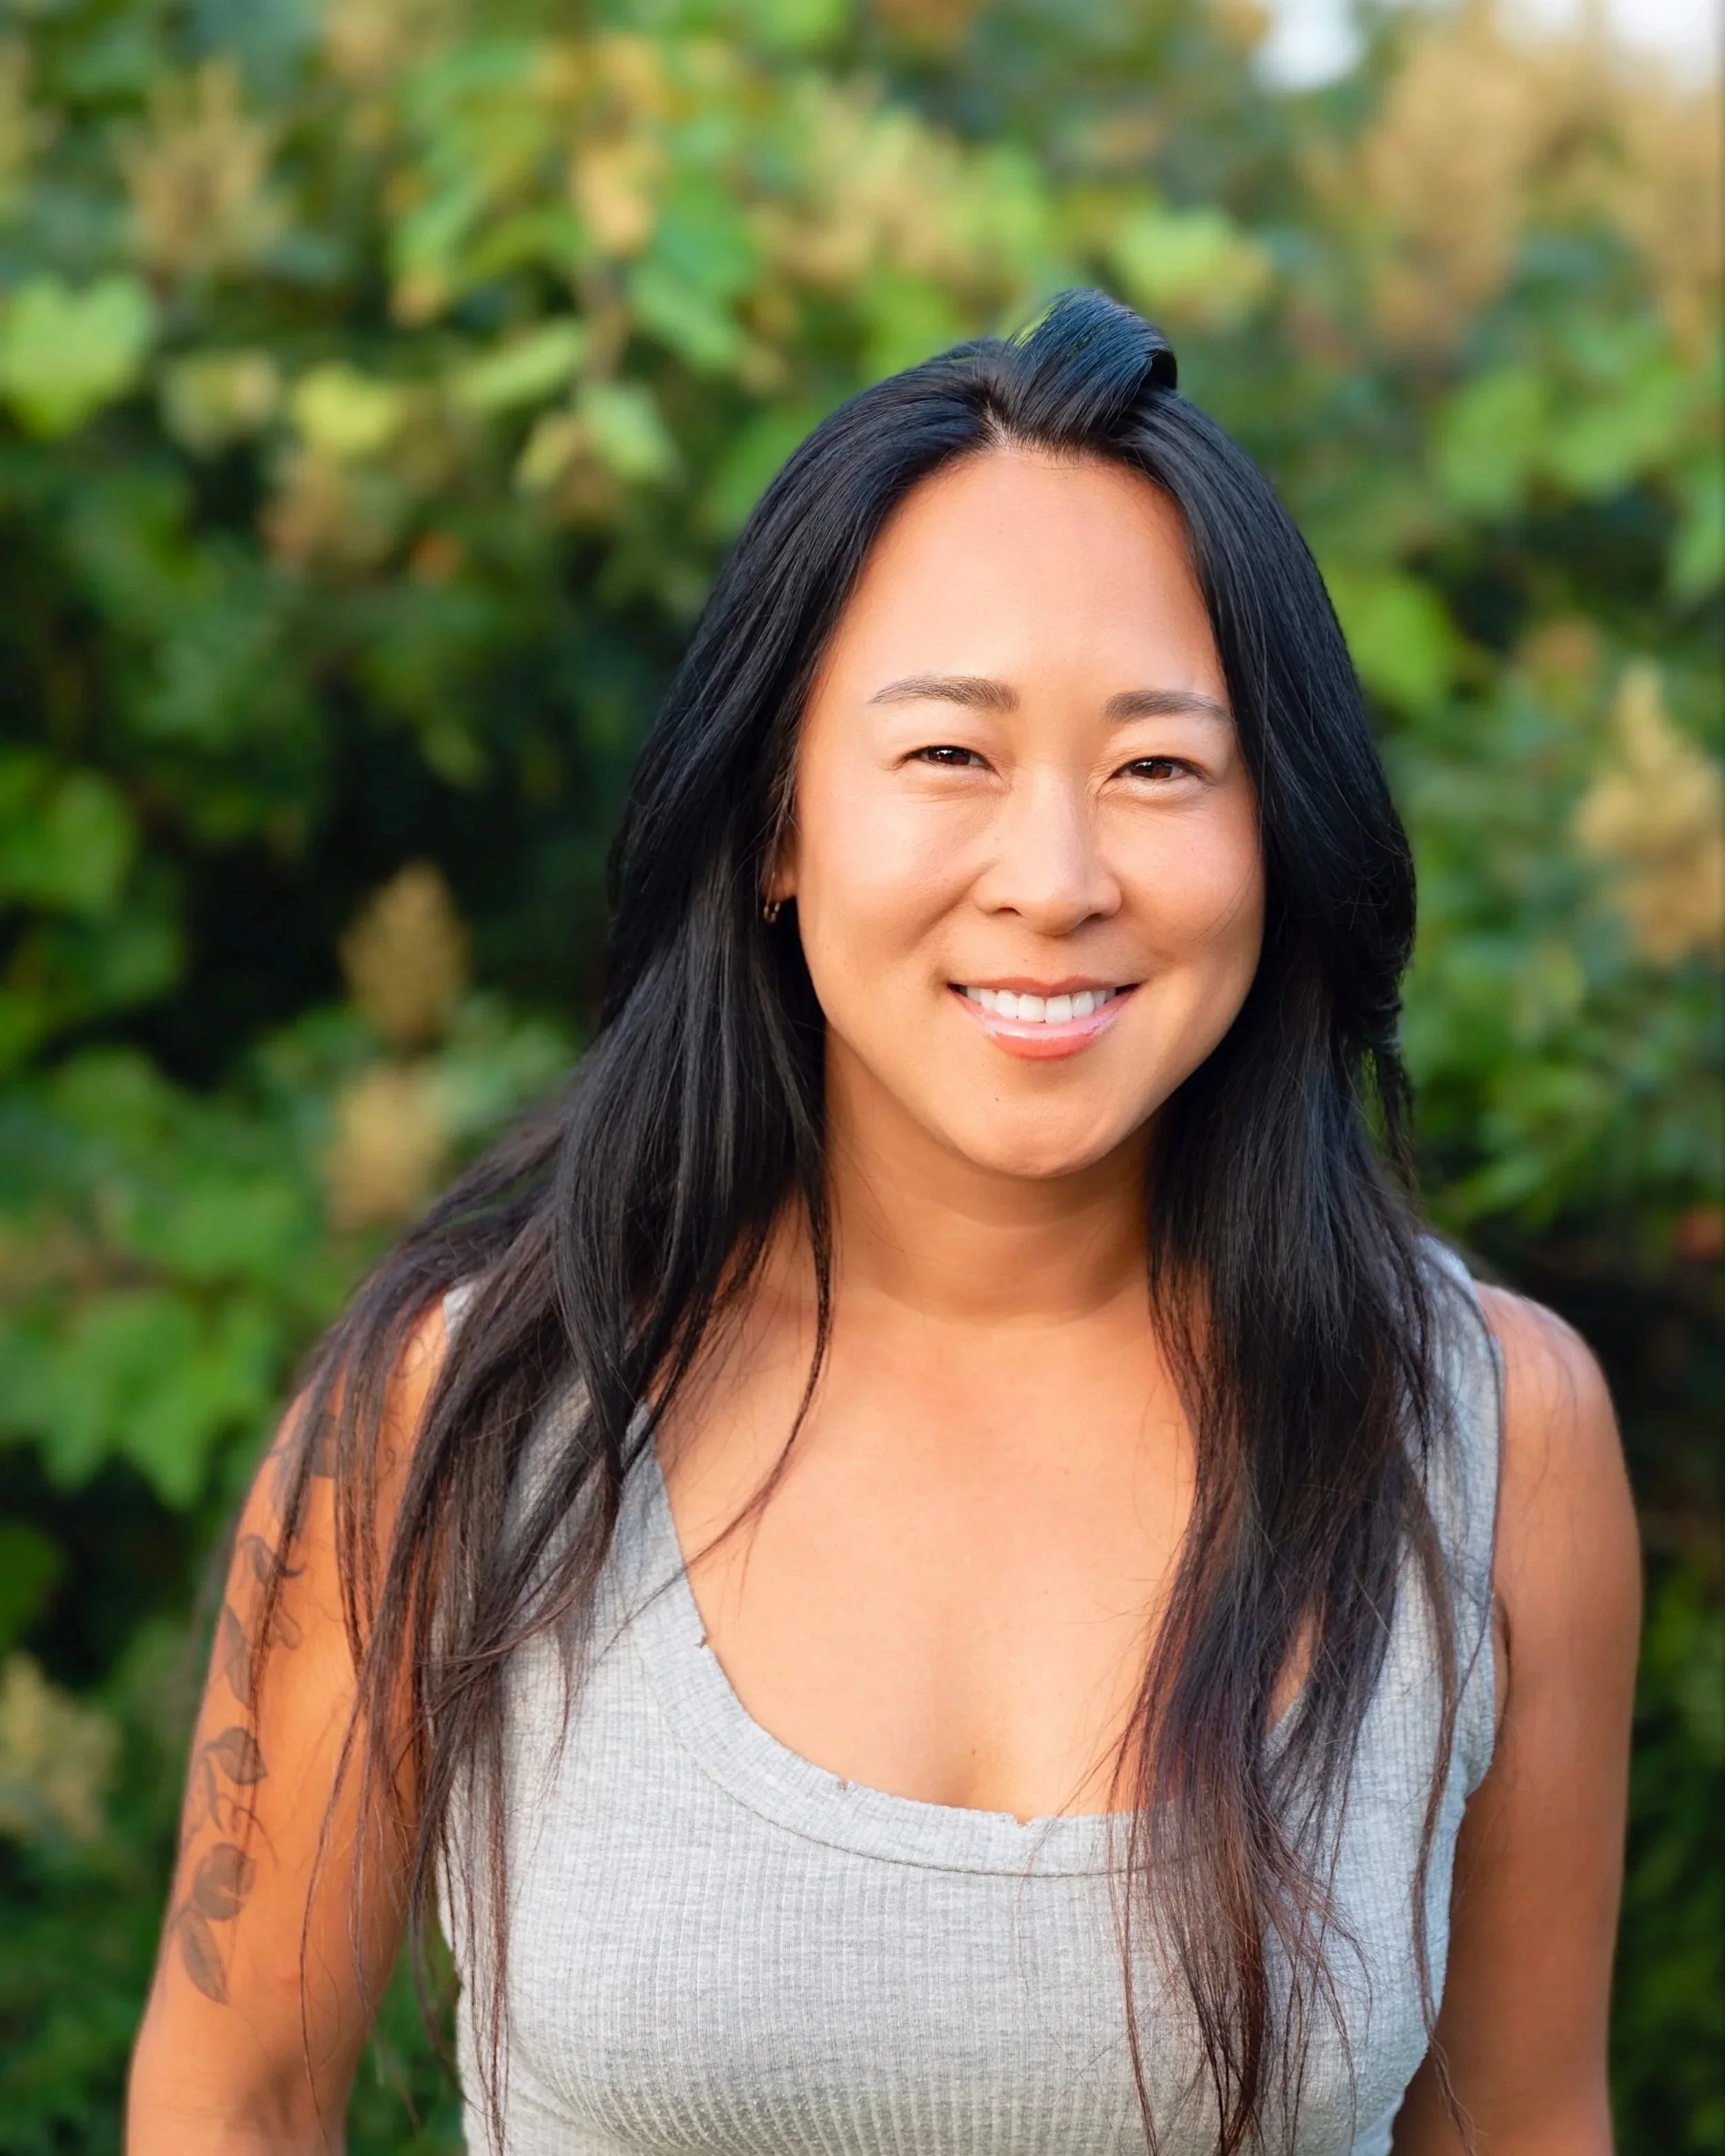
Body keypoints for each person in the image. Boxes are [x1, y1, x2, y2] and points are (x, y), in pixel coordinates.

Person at [127, 291, 1638, 2156]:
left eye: (1158, 766)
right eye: (949, 756)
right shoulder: (468, 1409)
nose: (1057, 877)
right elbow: (236, 2101)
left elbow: (1522, 2129)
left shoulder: (1483, 1438)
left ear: (1277, 834)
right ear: (773, 823)